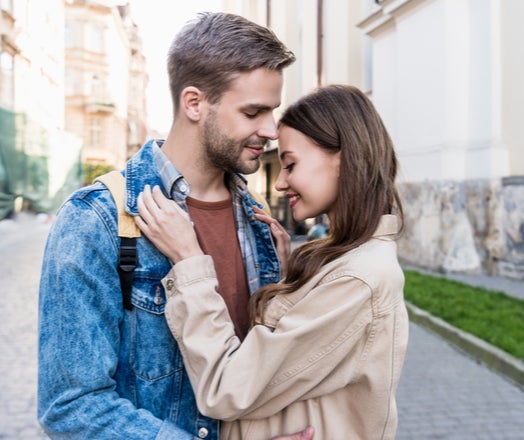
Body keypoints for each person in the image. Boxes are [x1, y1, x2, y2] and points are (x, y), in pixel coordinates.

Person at [38, 12, 311, 440]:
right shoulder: (98, 220)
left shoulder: (258, 220)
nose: (271, 131)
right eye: (254, 112)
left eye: (272, 112)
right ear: (195, 103)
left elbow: (254, 370)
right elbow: (72, 406)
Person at [135, 84, 409, 440]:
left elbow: (226, 389)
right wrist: (289, 282)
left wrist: (189, 261)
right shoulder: (346, 262)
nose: (280, 184)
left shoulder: (359, 278)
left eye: (290, 164)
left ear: (342, 158)